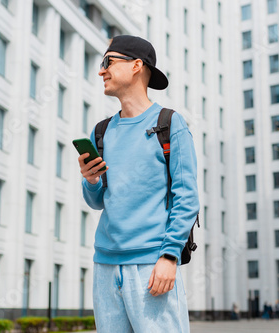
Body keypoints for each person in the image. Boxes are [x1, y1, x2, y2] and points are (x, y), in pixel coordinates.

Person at [78, 35, 199, 333]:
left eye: (108, 62)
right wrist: (91, 180)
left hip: (152, 264)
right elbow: (97, 201)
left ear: (136, 66)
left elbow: (186, 198)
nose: (101, 71)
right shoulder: (102, 131)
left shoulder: (170, 124)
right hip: (106, 266)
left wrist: (170, 256)